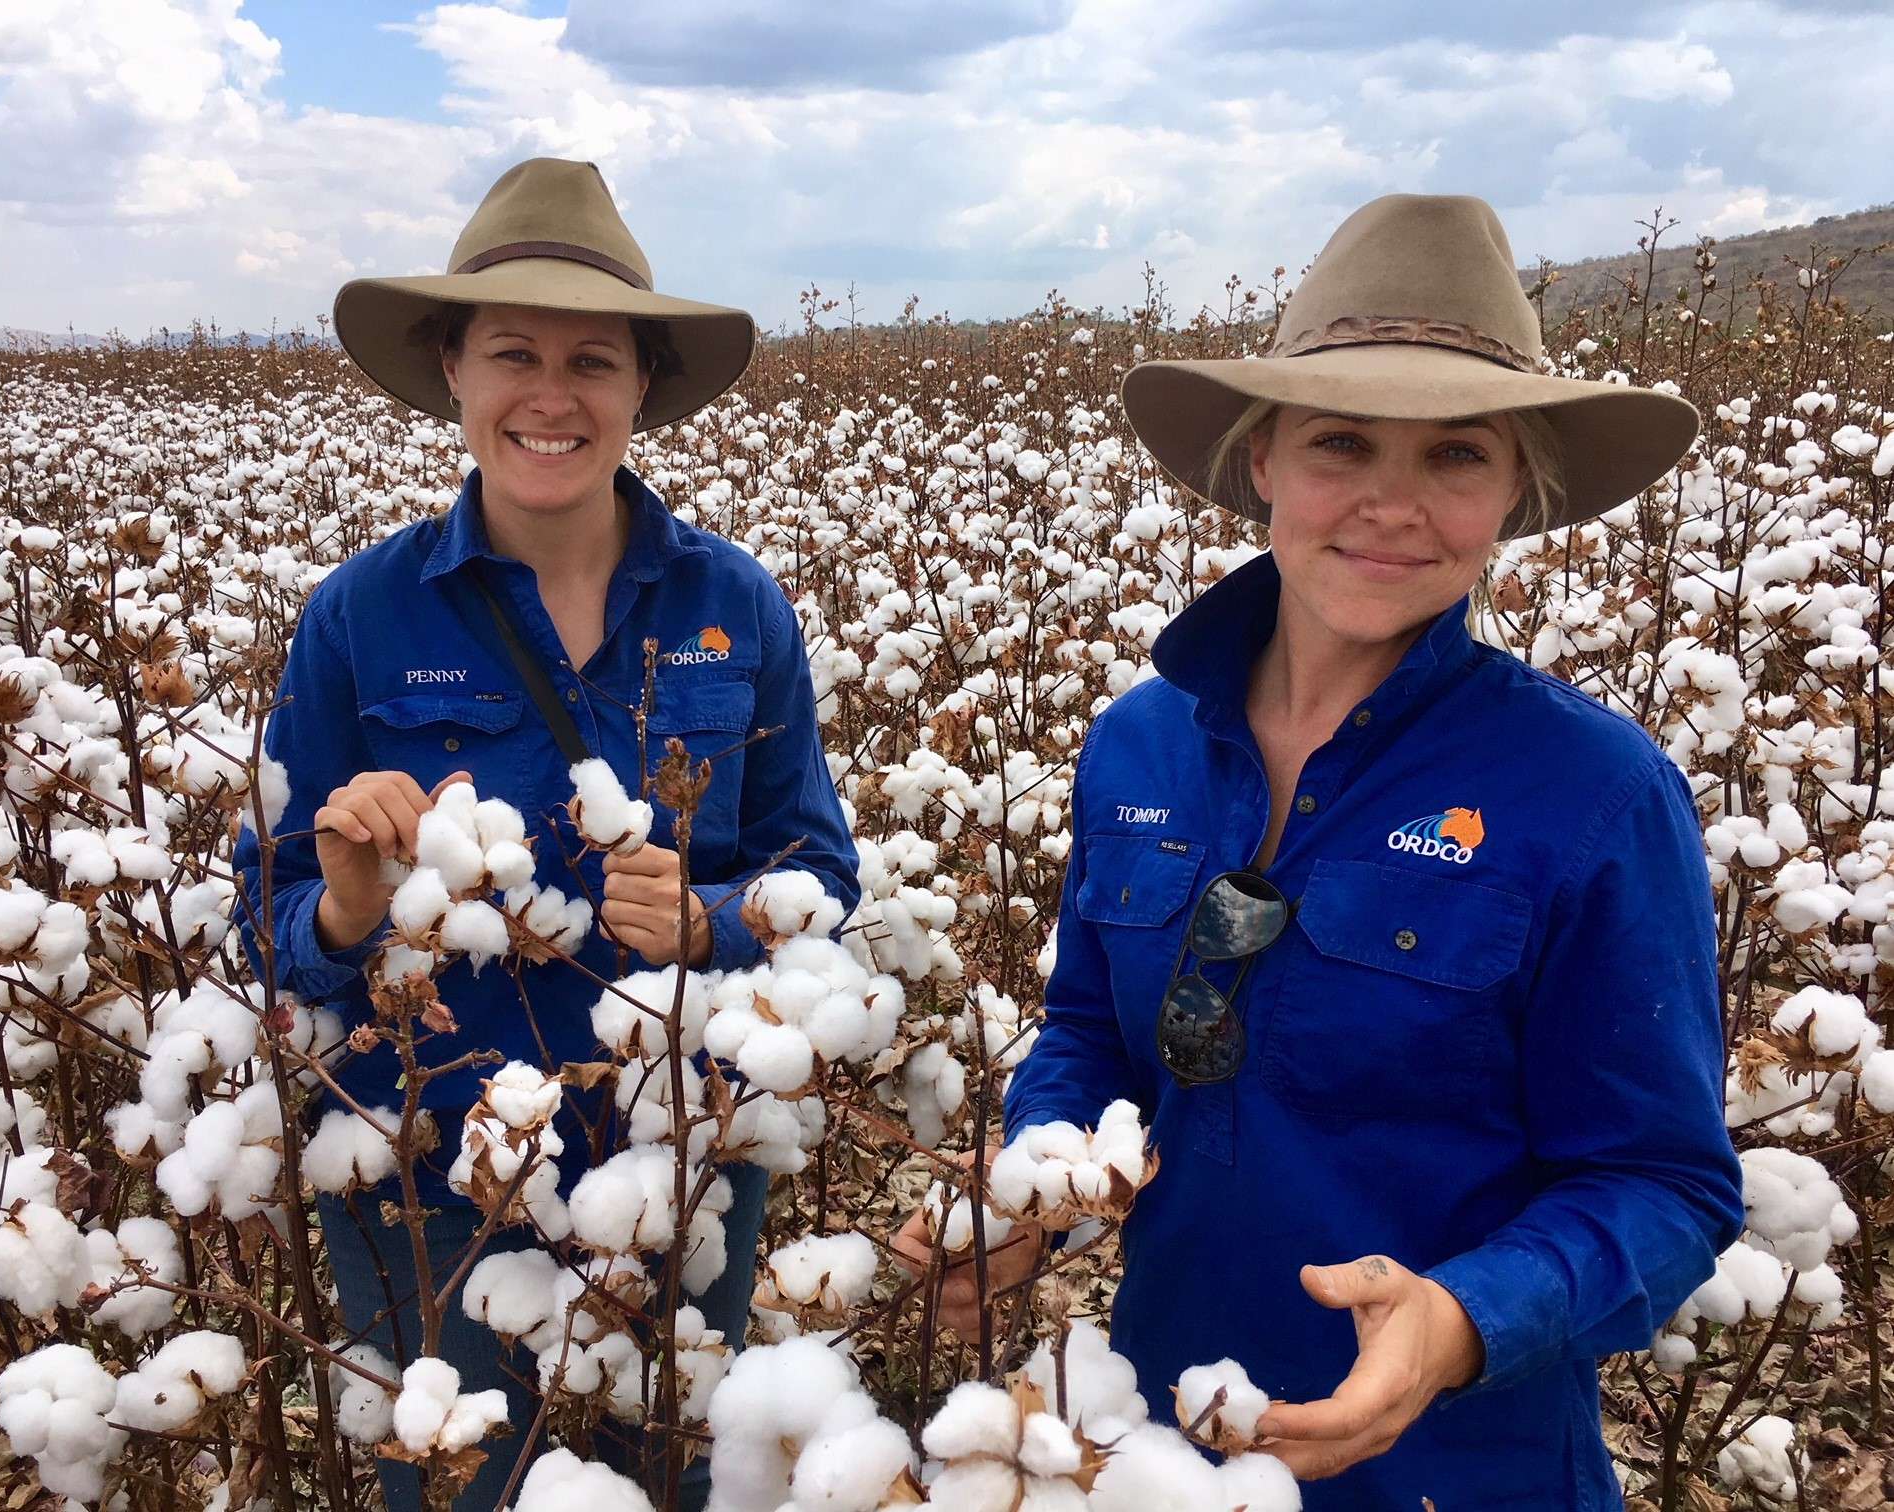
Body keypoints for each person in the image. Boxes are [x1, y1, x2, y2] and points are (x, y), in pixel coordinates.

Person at [894, 195, 1742, 1508]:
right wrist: (1040, 1186)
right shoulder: (1139, 748)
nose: (1392, 505)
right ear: (1263, 462)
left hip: (1466, 1472)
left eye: (1456, 454)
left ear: (1514, 493)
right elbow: (1091, 1037)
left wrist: (1459, 1322)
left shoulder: (1594, 794)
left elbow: (1663, 1183)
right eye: (1341, 441)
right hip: (1169, 1442)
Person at [233, 157, 859, 1512]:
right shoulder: (359, 618)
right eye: (514, 353)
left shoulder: (738, 607)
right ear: (452, 369)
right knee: (458, 1488)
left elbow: (819, 872)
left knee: (669, 1476)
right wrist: (344, 910)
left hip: (679, 1160)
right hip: (429, 1181)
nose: (552, 396)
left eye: (593, 361)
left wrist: (711, 922)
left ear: (642, 387)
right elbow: (265, 926)